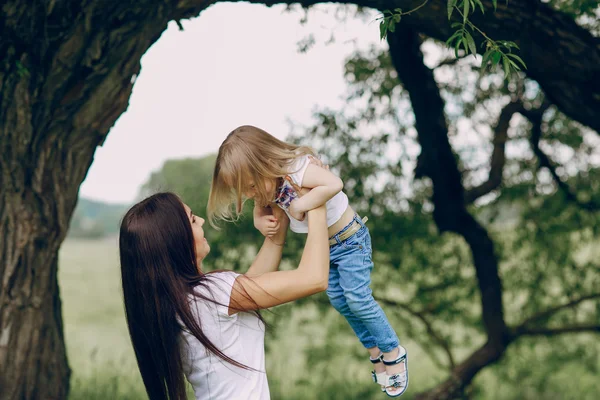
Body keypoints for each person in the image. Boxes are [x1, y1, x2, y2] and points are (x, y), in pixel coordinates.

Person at [207, 125, 409, 397]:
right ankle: (374, 348)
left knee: (358, 298)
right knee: (340, 300)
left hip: (350, 241)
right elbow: (261, 206)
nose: (252, 195)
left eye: (252, 186)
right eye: (246, 192)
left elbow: (334, 184)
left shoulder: (298, 169)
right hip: (329, 249)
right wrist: (258, 219)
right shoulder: (268, 188)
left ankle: (393, 350)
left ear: (266, 164)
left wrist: (302, 206)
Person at [119, 191, 329, 400]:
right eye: (192, 220)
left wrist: (279, 220)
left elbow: (254, 285)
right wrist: (317, 199)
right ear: (175, 240)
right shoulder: (211, 295)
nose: (201, 220)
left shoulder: (183, 303)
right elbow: (314, 278)